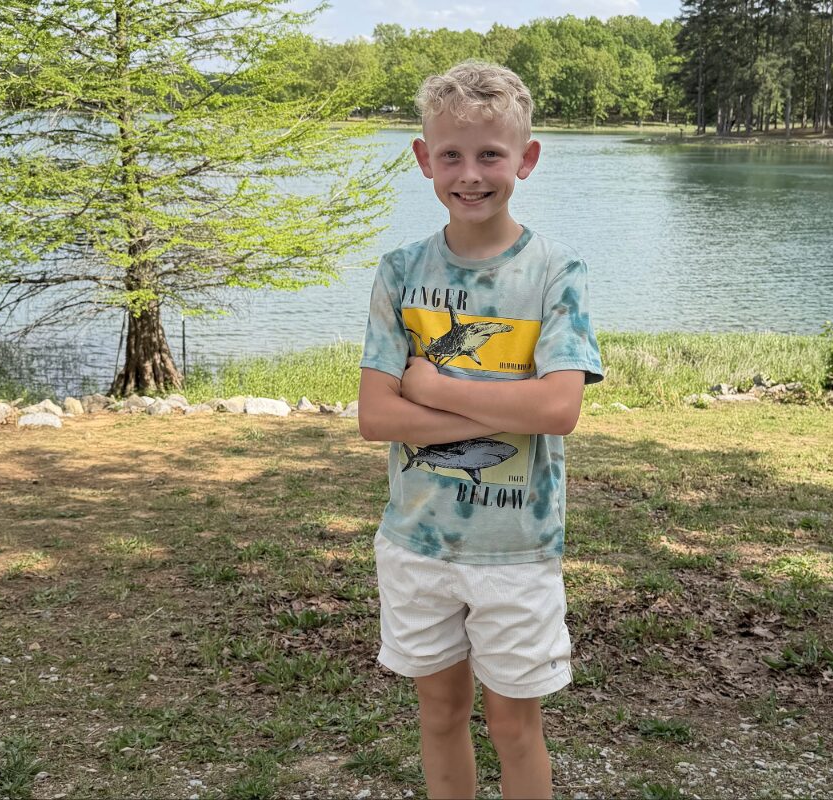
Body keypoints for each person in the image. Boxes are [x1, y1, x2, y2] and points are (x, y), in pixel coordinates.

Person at [356, 60, 604, 800]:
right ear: (424, 158)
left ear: (525, 159)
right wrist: (501, 402)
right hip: (417, 543)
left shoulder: (558, 271)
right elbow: (377, 416)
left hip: (517, 551)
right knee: (440, 715)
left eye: (491, 154)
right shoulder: (400, 273)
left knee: (514, 727)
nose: (471, 174)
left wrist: (432, 383)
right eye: (453, 155)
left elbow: (558, 409)